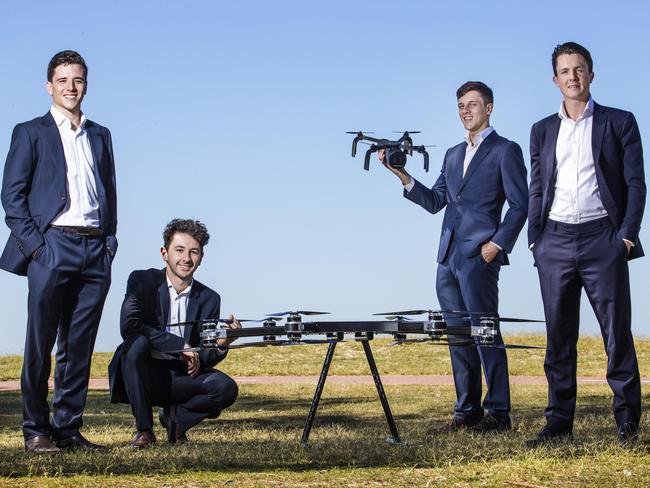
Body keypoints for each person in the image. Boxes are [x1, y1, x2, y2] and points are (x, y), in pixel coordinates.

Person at [381, 82, 528, 432]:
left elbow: (521, 205)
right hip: (447, 258)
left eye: (473, 104)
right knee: (458, 336)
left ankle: (499, 415)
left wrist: (496, 245)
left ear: (489, 108)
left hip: (480, 256)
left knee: (485, 333)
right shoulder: (451, 154)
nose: (465, 111)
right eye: (461, 105)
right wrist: (401, 175)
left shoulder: (506, 150)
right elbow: (435, 202)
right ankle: (467, 413)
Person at [527, 42, 645, 447]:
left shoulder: (620, 122)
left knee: (617, 334)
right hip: (554, 241)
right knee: (558, 338)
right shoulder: (541, 129)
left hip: (603, 240)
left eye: (579, 69)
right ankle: (558, 423)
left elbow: (635, 184)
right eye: (565, 71)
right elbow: (537, 187)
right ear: (555, 79)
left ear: (592, 75)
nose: (572, 76)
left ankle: (628, 423)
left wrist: (625, 237)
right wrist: (534, 241)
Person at [0, 50, 117, 452]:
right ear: (49, 86)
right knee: (40, 342)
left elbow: (110, 193)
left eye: (78, 80)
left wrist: (109, 242)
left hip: (94, 248)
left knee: (78, 345)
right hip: (51, 245)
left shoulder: (100, 134)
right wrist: (36, 248)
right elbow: (11, 197)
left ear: (86, 84)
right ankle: (35, 430)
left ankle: (67, 429)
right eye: (63, 80)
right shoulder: (30, 132)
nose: (71, 87)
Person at [108, 219, 240, 449]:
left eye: (194, 252)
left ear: (201, 258)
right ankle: (144, 432)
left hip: (182, 379)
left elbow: (204, 357)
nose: (186, 259)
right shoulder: (141, 280)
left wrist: (221, 343)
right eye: (179, 250)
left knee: (226, 388)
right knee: (136, 344)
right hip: (143, 374)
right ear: (164, 253)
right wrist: (180, 346)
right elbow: (129, 326)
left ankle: (177, 421)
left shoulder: (210, 298)